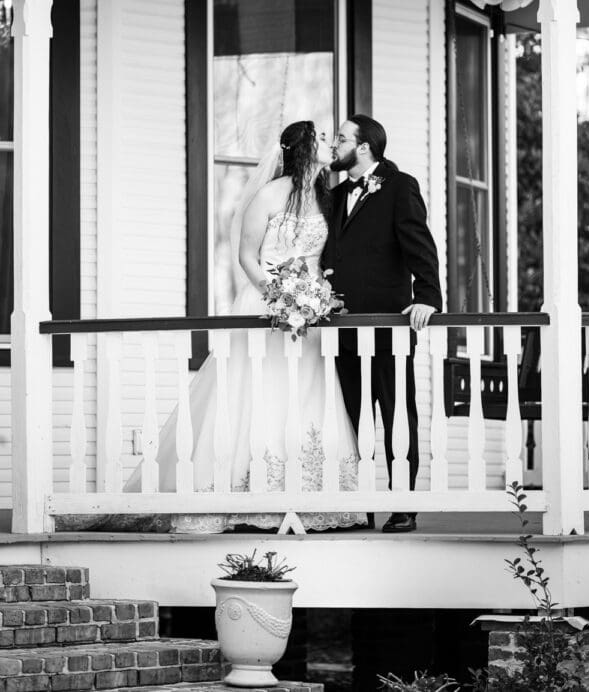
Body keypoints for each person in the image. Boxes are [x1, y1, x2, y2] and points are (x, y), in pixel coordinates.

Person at [126, 119, 367, 533]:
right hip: (269, 306)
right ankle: (237, 494)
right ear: (305, 147)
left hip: (311, 316)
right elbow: (247, 256)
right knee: (255, 392)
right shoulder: (269, 195)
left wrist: (314, 298)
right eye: (323, 137)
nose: (330, 142)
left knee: (307, 395)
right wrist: (279, 296)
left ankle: (306, 497)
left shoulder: (328, 199)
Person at [322, 114, 442, 533]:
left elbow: (419, 245)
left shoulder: (399, 186)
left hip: (388, 324)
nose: (334, 145)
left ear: (364, 147)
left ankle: (403, 503)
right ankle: (358, 507)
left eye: (340, 138)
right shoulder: (335, 196)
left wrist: (427, 297)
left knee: (395, 413)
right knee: (350, 416)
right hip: (340, 328)